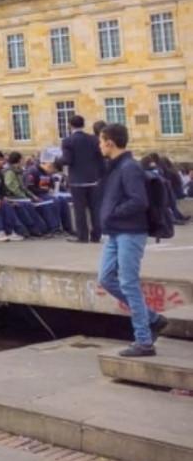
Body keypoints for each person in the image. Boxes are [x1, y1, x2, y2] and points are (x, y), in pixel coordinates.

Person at [96, 124, 168, 357]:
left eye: (100, 140)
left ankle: (144, 341)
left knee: (128, 283)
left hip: (130, 232)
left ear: (110, 142)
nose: (99, 145)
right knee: (106, 278)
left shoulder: (129, 167)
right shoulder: (114, 167)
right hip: (116, 232)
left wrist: (112, 213)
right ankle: (153, 318)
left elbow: (139, 201)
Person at [58, 115, 104, 243]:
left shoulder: (68, 141)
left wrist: (56, 161)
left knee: (80, 210)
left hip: (77, 181)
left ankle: (82, 236)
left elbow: (67, 160)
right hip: (93, 179)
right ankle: (96, 235)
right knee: (95, 208)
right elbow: (100, 159)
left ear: (70, 125)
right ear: (83, 125)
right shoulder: (93, 139)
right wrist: (100, 175)